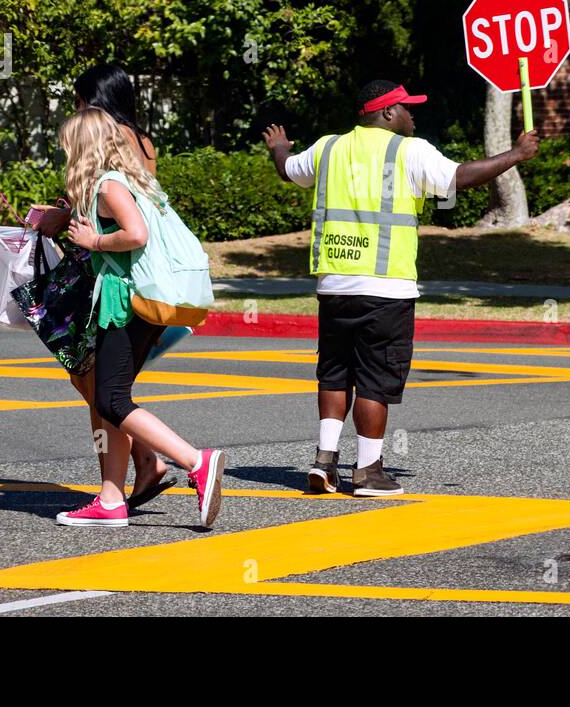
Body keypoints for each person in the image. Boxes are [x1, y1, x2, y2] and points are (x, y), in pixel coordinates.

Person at [263, 79, 539, 495]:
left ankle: (325, 461)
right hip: (386, 289)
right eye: (408, 108)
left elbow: (288, 170)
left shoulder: (328, 147)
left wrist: (278, 147)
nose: (414, 114)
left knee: (335, 374)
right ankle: (368, 471)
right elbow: (460, 177)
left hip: (334, 284)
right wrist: (516, 155)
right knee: (375, 379)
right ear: (388, 112)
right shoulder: (410, 151)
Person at [51, 106, 226, 528]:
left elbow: (135, 234)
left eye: (68, 146)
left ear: (83, 147)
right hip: (140, 303)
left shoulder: (109, 185)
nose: (64, 154)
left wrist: (93, 240)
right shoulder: (130, 181)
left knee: (111, 399)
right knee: (109, 399)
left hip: (125, 304)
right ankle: (111, 499)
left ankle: (194, 461)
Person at [34, 64, 176, 510]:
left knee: (96, 385)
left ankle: (122, 482)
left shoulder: (107, 140)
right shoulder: (140, 138)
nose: (75, 109)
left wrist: (65, 221)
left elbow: (118, 211)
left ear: (93, 101)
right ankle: (141, 463)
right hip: (111, 267)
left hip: (102, 274)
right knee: (98, 383)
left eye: (79, 100)